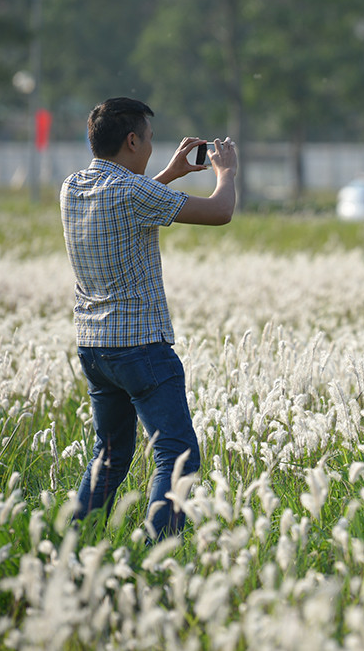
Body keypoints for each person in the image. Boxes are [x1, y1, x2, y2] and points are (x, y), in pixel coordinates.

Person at [60, 97, 238, 540]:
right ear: (132, 140)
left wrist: (171, 173)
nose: (153, 148)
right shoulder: (133, 193)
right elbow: (220, 212)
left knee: (110, 454)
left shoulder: (73, 187)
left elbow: (126, 202)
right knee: (177, 455)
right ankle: (160, 551)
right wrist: (226, 173)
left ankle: (74, 543)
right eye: (151, 139)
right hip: (141, 348)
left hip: (95, 348)